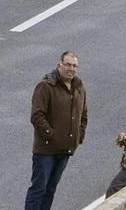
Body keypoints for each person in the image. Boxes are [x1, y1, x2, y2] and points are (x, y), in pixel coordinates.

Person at [25, 51, 88, 210]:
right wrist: (51, 135)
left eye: (74, 66)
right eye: (67, 64)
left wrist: (78, 137)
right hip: (46, 150)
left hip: (65, 150)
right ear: (59, 64)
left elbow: (83, 115)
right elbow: (37, 116)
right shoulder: (46, 86)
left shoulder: (79, 88)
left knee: (50, 190)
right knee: (39, 189)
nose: (71, 69)